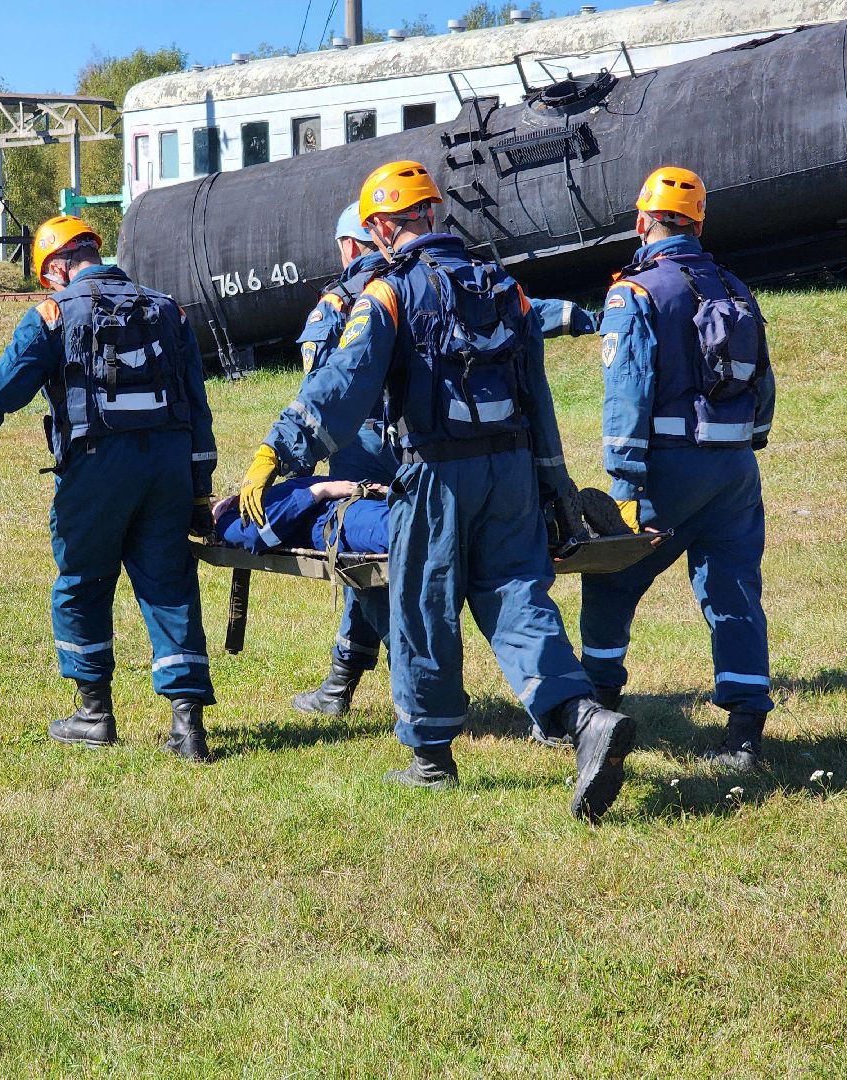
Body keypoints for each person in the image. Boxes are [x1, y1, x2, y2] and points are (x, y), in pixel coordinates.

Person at [238, 160, 636, 821]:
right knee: (518, 599)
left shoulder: (390, 294)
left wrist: (276, 450)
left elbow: (341, 388)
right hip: (510, 472)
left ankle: (430, 759)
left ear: (383, 227)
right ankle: (584, 717)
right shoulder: (503, 289)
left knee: (422, 610)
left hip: (434, 475)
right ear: (432, 213)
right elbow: (536, 396)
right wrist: (556, 484)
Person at [0, 215, 219, 762]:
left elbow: (2, 390)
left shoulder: (52, 315)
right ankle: (188, 728)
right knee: (169, 586)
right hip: (167, 468)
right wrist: (198, 491)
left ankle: (94, 714)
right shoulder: (168, 309)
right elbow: (196, 406)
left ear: (56, 268)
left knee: (83, 582)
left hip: (96, 469)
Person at [582, 167, 776, 773]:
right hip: (735, 469)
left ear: (644, 223)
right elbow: (763, 382)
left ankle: (597, 706)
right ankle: (744, 733)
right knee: (734, 592)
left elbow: (626, 394)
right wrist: (749, 443)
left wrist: (624, 482)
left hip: (666, 471)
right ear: (697, 225)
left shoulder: (634, 292)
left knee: (611, 583)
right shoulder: (735, 287)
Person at [288, 203, 400, 717]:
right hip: (424, 447)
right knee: (378, 561)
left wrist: (294, 466)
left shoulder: (337, 304)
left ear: (351, 245)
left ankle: (420, 682)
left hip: (363, 450)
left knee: (364, 559)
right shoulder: (415, 284)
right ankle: (339, 683)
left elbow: (320, 391)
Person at [213, 479, 389, 555]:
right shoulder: (227, 522)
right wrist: (317, 491)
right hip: (339, 521)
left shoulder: (253, 498)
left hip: (366, 503)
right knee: (402, 532)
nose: (222, 499)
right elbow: (256, 536)